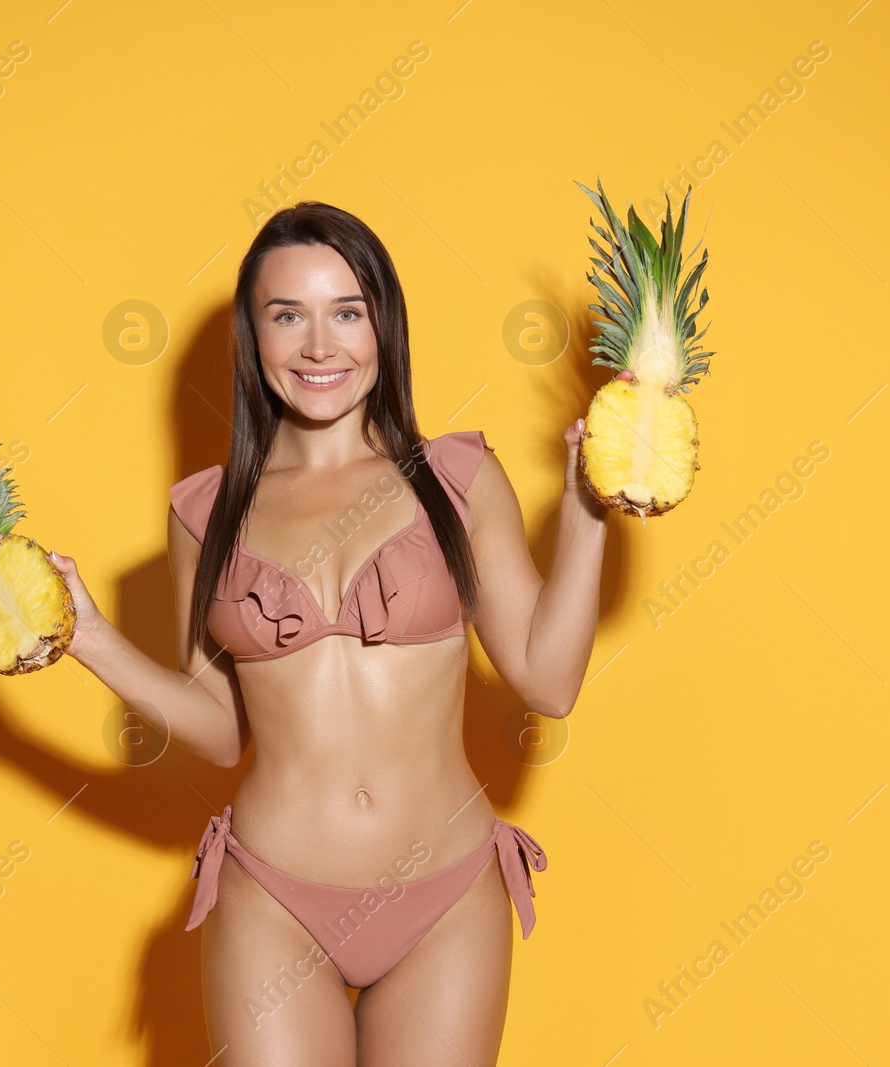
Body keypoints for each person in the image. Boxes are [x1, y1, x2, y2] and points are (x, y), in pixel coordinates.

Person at [48, 201, 608, 1065]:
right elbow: (223, 725)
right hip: (275, 900)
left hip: (447, 894)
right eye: (288, 316)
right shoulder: (206, 512)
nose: (319, 347)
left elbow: (548, 680)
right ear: (253, 337)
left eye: (346, 312)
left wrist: (586, 511)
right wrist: (91, 639)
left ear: (383, 324)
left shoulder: (457, 478)